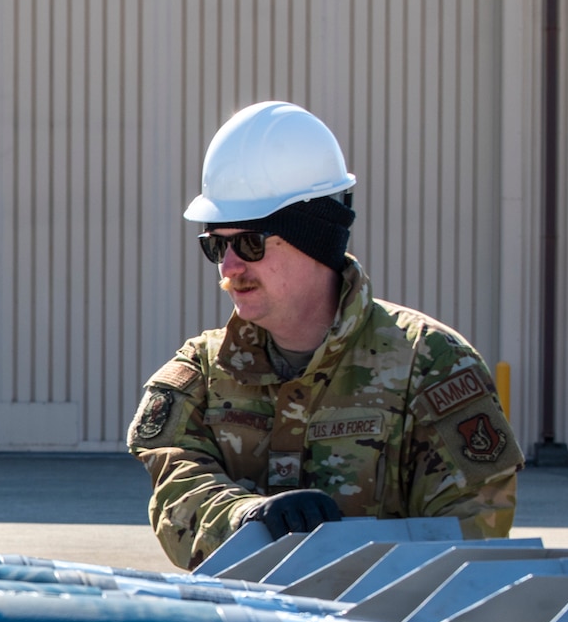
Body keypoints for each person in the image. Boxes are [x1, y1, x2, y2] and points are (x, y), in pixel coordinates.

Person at [129, 101, 521, 570]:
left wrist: (345, 564)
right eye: (216, 245)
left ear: (314, 240)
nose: (229, 267)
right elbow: (179, 490)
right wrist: (245, 517)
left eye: (249, 243)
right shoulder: (201, 372)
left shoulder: (430, 364)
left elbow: (471, 529)